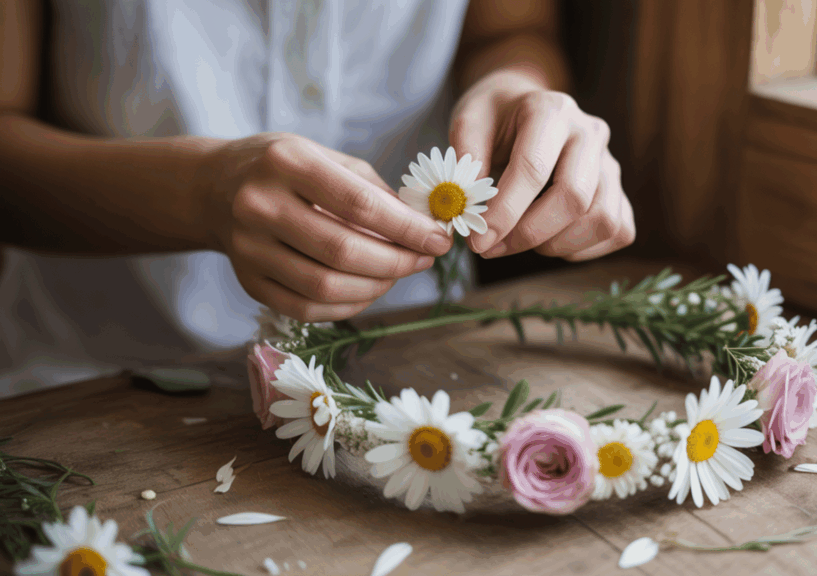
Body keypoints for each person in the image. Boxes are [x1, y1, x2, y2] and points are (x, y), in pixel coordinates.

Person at [0, 0, 635, 397]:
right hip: (92, 375)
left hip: (412, 360)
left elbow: (511, 26)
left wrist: (516, 91)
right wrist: (201, 194)